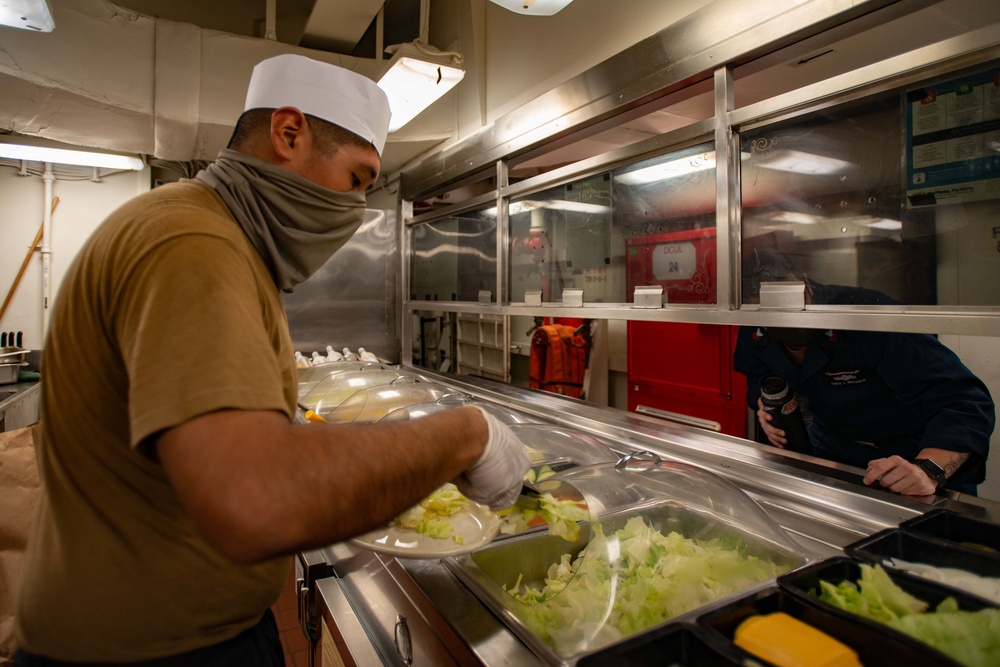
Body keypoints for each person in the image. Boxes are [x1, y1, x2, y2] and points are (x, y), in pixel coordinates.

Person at [14, 54, 531, 666]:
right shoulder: (191, 244)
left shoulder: (209, 236)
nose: (356, 208)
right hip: (152, 655)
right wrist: (465, 435)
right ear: (289, 134)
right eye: (358, 179)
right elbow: (254, 495)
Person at [734, 323, 994, 496]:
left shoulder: (871, 324)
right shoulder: (755, 329)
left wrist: (928, 469)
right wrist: (764, 406)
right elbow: (759, 376)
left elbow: (965, 402)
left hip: (909, 453)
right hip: (833, 447)